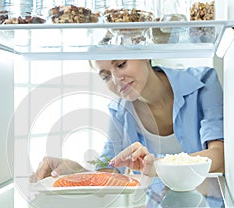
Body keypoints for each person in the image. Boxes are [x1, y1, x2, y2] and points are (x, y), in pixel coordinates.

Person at [31, 59, 224, 182]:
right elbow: (109, 170)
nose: (116, 79)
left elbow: (220, 155)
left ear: (145, 55)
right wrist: (73, 171)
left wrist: (156, 165)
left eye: (121, 64)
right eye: (105, 76)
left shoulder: (203, 82)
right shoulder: (119, 112)